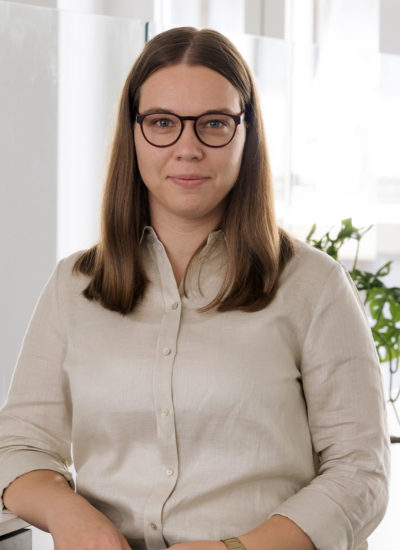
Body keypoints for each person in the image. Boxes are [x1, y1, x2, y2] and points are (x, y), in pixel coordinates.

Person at [0, 27, 390, 550]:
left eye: (214, 124)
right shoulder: (73, 287)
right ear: (133, 133)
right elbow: (18, 447)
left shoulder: (315, 286)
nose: (188, 149)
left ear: (246, 134)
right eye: (162, 122)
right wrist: (69, 513)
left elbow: (361, 472)